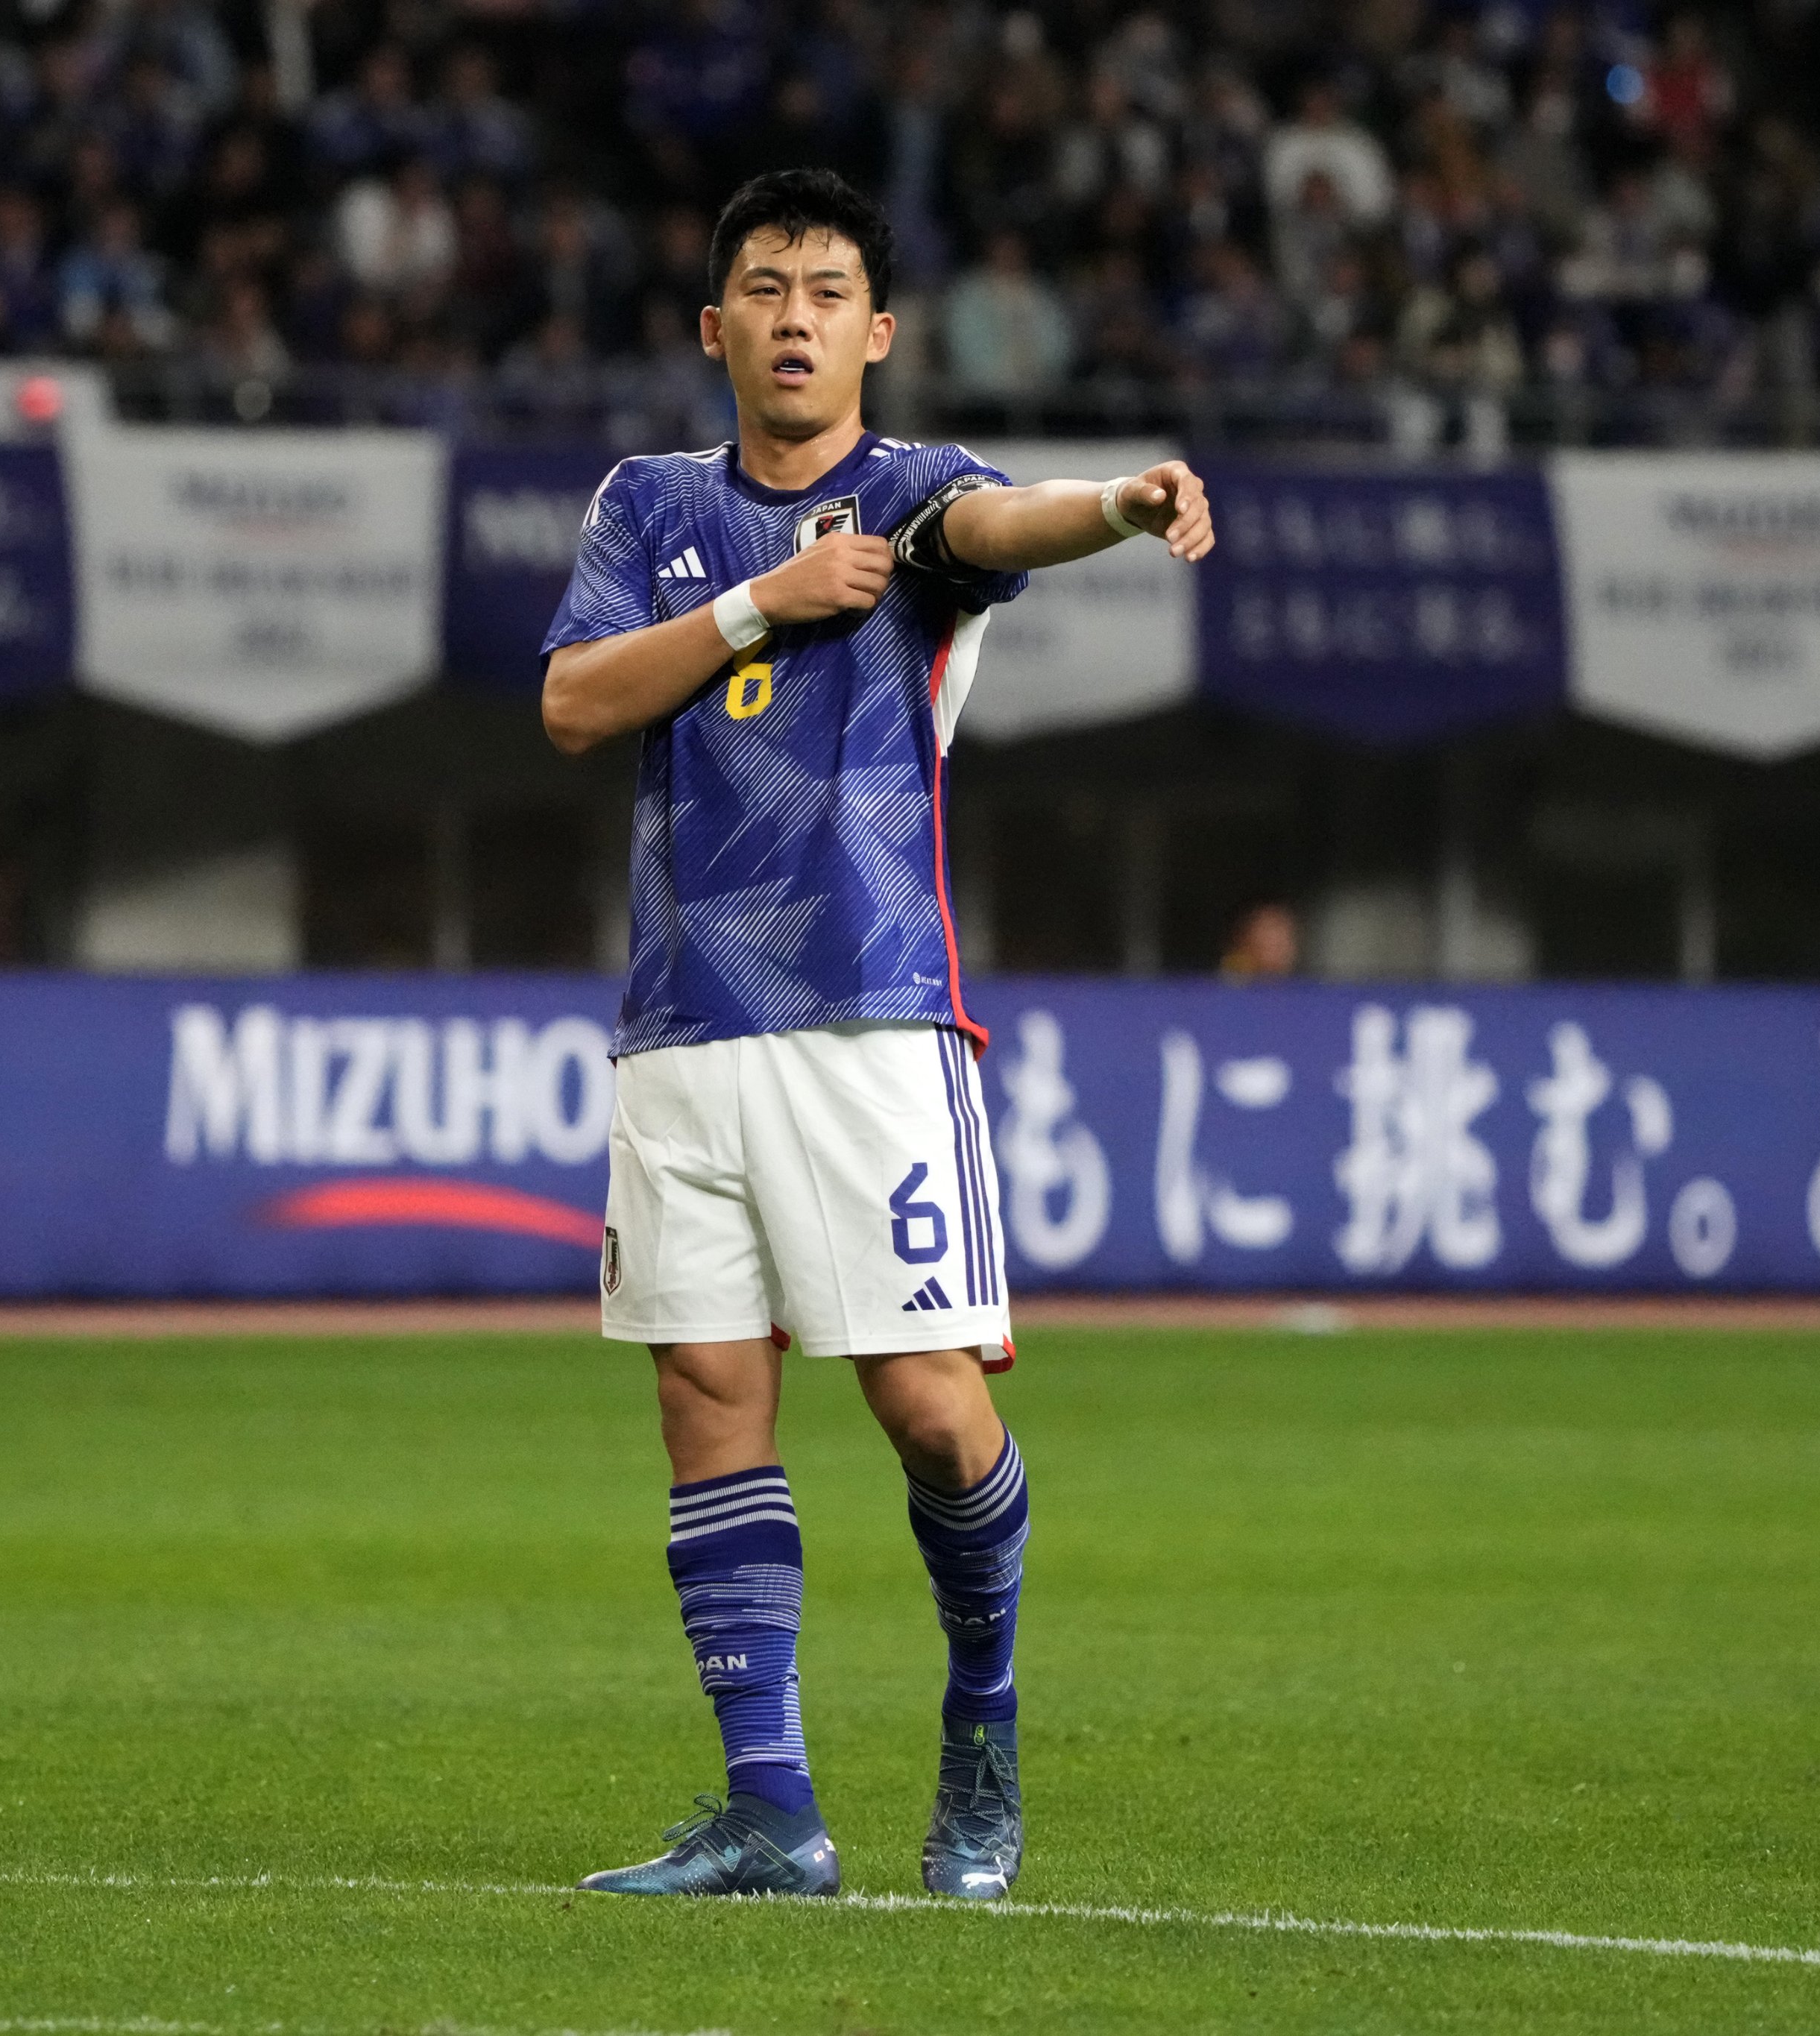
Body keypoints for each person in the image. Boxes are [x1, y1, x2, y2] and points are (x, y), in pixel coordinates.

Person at [538, 167, 1213, 1903]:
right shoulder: (651, 505)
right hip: (681, 1020)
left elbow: (1006, 529)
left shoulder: (912, 499)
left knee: (924, 1410)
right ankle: (772, 1811)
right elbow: (569, 700)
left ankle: (979, 1726)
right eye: (761, 288)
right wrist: (763, 602)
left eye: (825, 290)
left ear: (876, 333)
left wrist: (1122, 507)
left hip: (868, 1021)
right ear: (713, 326)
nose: (790, 316)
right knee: (706, 1388)